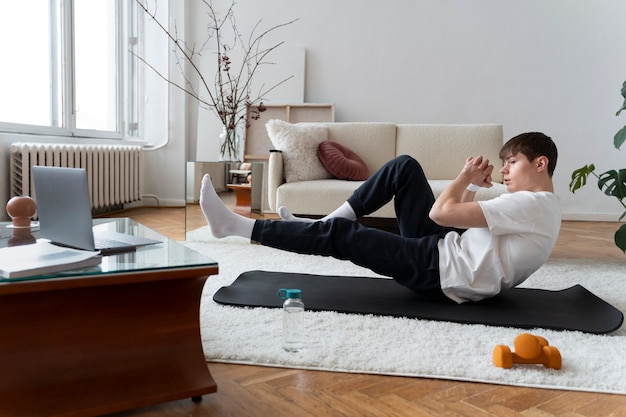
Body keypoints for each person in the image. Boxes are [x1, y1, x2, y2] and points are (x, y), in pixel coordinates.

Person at [199, 132, 561, 304]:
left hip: (443, 272)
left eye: (512, 162)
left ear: (540, 163)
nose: (505, 170)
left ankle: (236, 226)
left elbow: (440, 212)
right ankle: (325, 222)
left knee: (343, 236)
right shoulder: (538, 207)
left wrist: (464, 177)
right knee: (404, 167)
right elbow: (461, 222)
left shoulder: (530, 204)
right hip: (448, 250)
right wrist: (474, 189)